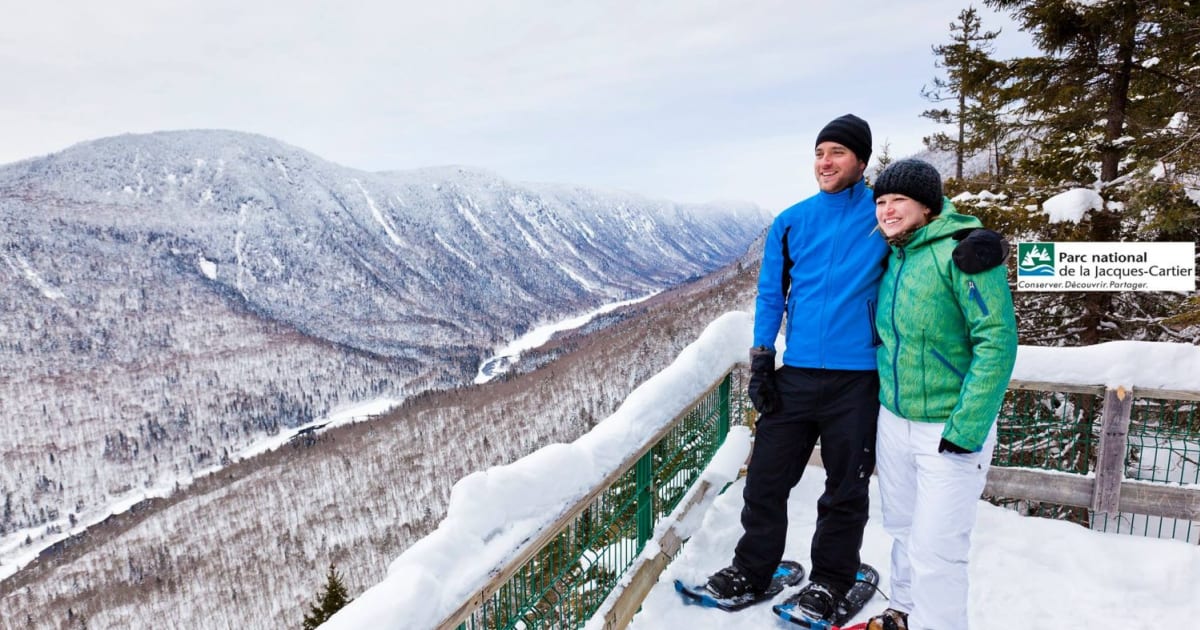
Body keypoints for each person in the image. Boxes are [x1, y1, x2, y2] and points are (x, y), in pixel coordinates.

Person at [704, 114, 888, 622]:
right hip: (798, 374)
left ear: (861, 161)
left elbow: (939, 226)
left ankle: (831, 581)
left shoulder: (883, 215)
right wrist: (763, 358)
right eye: (819, 152)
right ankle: (753, 568)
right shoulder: (791, 221)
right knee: (765, 479)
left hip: (859, 379)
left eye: (838, 153)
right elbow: (770, 294)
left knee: (845, 490)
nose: (825, 163)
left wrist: (979, 246)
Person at [866, 159, 1017, 630]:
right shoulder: (894, 254)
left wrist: (967, 425)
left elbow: (997, 341)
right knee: (903, 530)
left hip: (948, 427)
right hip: (894, 420)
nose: (888, 211)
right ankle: (903, 610)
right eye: (882, 202)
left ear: (927, 206)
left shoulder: (964, 253)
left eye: (899, 201)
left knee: (938, 550)